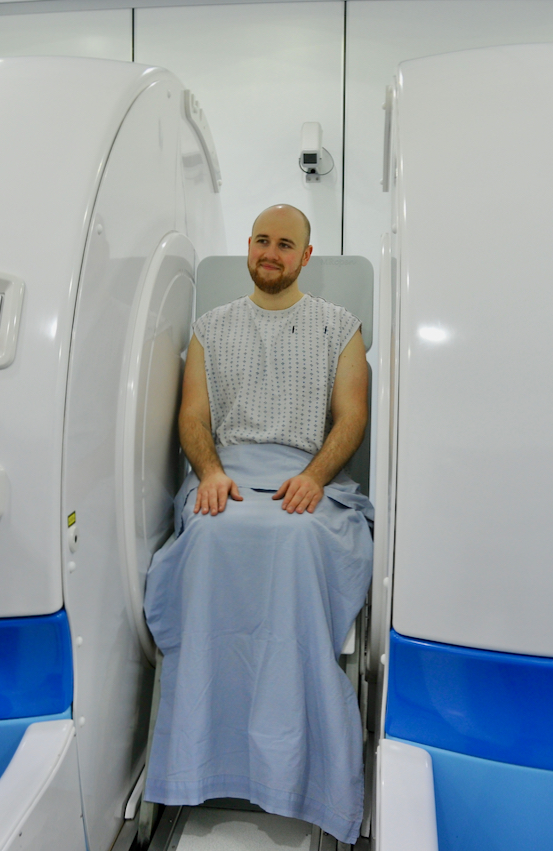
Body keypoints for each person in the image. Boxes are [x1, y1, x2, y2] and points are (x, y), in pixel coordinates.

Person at [142, 204, 372, 843]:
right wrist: (211, 473)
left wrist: (316, 478)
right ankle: (196, 766)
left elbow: (350, 417)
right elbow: (192, 417)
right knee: (212, 537)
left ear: (304, 255)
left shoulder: (339, 327)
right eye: (262, 240)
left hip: (305, 475)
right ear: (249, 247)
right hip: (229, 475)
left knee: (295, 538)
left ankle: (300, 769)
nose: (271, 252)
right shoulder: (210, 330)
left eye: (285, 244)